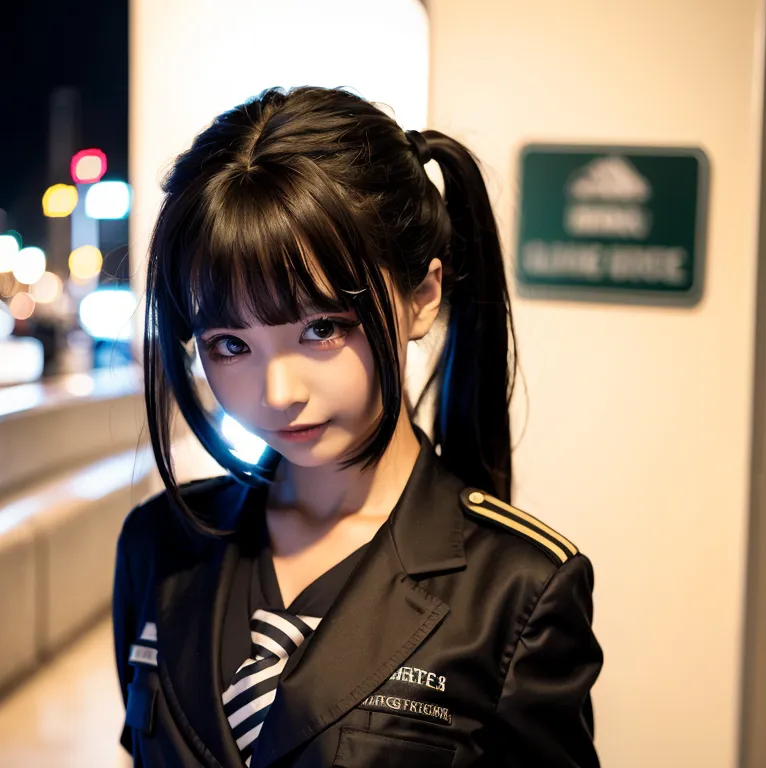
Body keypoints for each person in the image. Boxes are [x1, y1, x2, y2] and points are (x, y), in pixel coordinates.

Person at [113, 85, 603, 768]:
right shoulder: (159, 544)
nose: (278, 393)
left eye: (321, 329)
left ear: (422, 296)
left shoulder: (517, 589)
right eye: (230, 343)